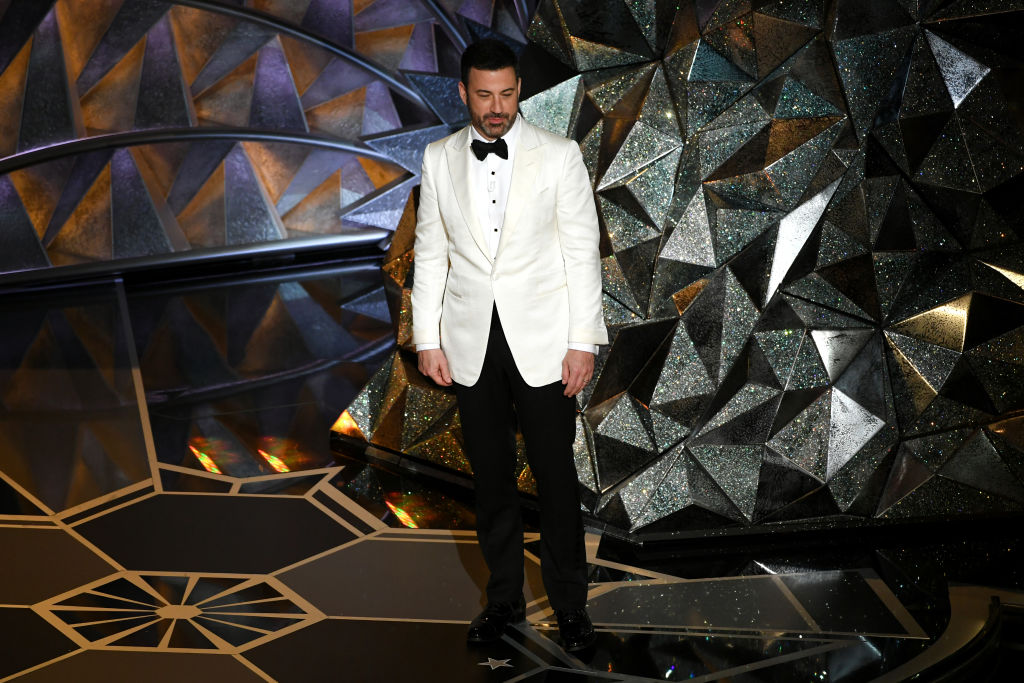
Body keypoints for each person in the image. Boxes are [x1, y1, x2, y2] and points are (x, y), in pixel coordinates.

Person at [410, 39, 607, 652]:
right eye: (483, 95)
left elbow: (582, 253)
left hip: (545, 342)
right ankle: (502, 601)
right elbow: (430, 253)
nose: (496, 107)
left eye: (506, 94)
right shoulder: (438, 157)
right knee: (491, 480)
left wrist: (582, 342)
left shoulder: (560, 155)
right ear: (463, 93)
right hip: (469, 342)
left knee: (555, 478)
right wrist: (426, 337)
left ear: (519, 89)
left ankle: (571, 606)